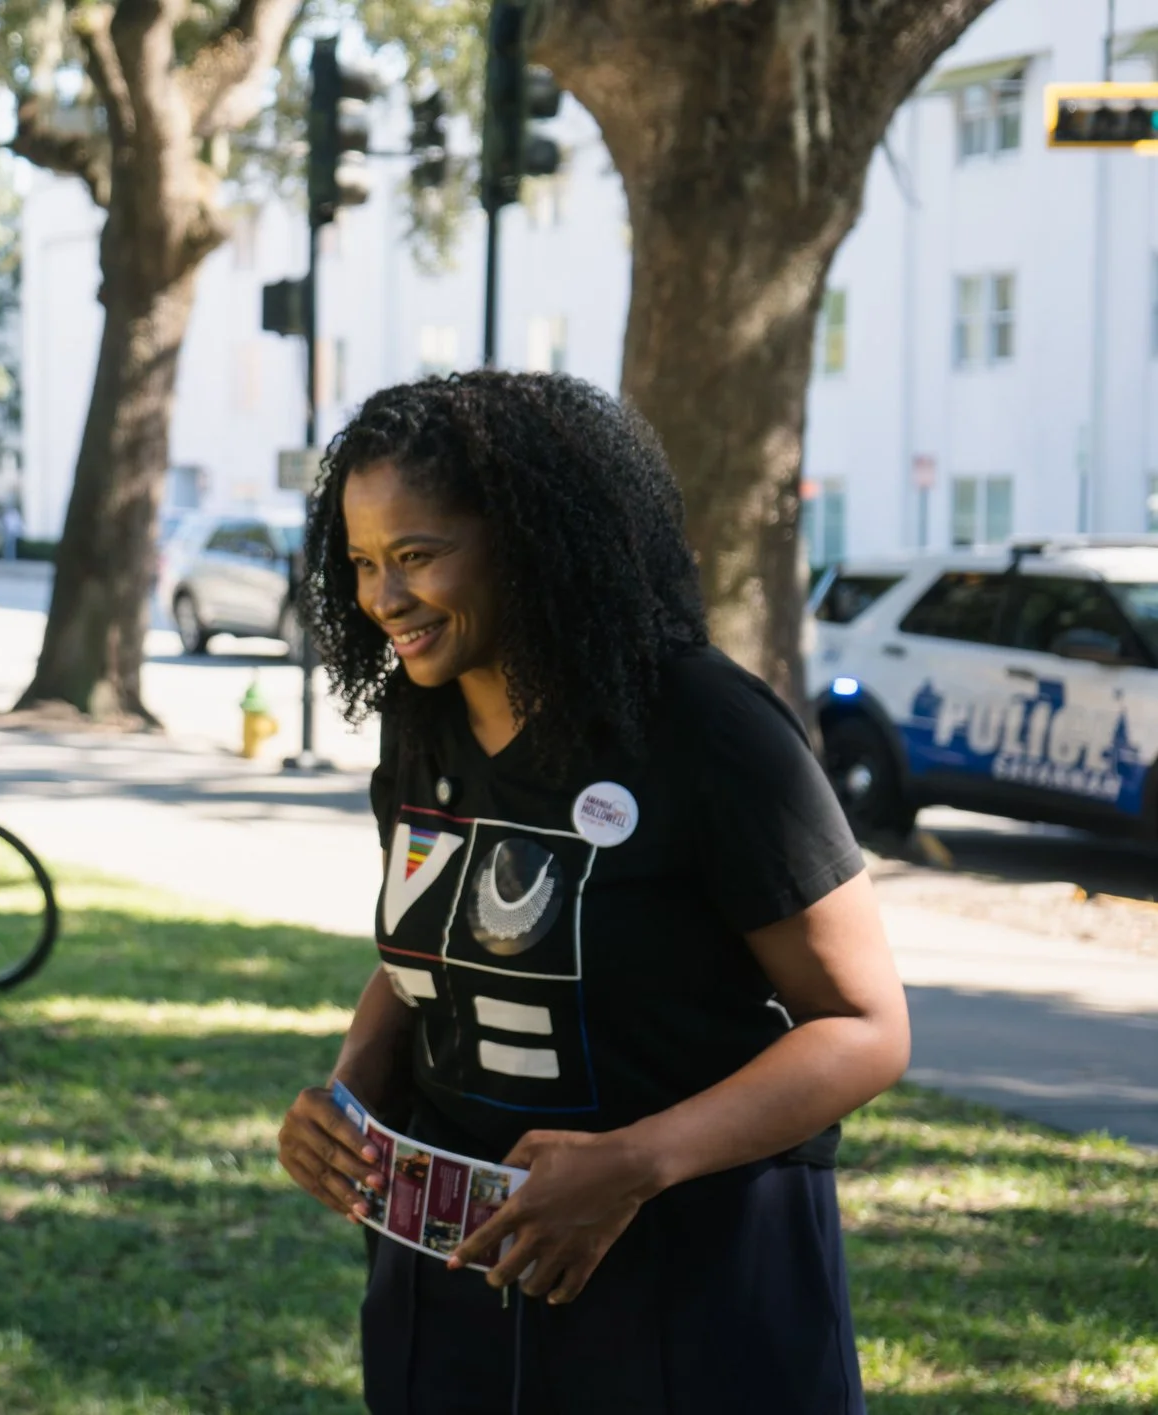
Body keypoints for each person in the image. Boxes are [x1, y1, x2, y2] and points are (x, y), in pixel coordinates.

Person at [273, 373, 910, 1413]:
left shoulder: (705, 726)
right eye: (361, 563)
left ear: (525, 538)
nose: (381, 597)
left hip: (690, 1286)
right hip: (456, 1280)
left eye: (417, 556)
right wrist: (348, 1096)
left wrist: (631, 1163)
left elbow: (864, 1026)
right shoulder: (419, 719)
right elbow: (436, 943)